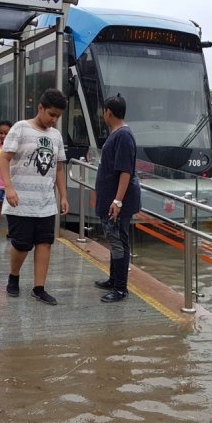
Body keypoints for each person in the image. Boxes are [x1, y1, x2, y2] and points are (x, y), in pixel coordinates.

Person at [0, 89, 68, 305]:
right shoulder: (20, 128)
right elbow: (4, 159)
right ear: (40, 107)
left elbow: (58, 169)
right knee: (21, 245)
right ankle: (14, 276)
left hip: (46, 202)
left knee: (45, 243)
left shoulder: (55, 136)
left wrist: (63, 196)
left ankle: (39, 288)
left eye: (57, 116)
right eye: (51, 114)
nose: (54, 119)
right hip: (20, 201)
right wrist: (9, 188)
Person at [93, 95, 142, 302]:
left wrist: (117, 201)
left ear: (108, 112)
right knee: (114, 240)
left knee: (119, 241)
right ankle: (114, 279)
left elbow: (125, 171)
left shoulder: (123, 136)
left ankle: (121, 288)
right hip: (112, 199)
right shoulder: (119, 134)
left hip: (118, 201)